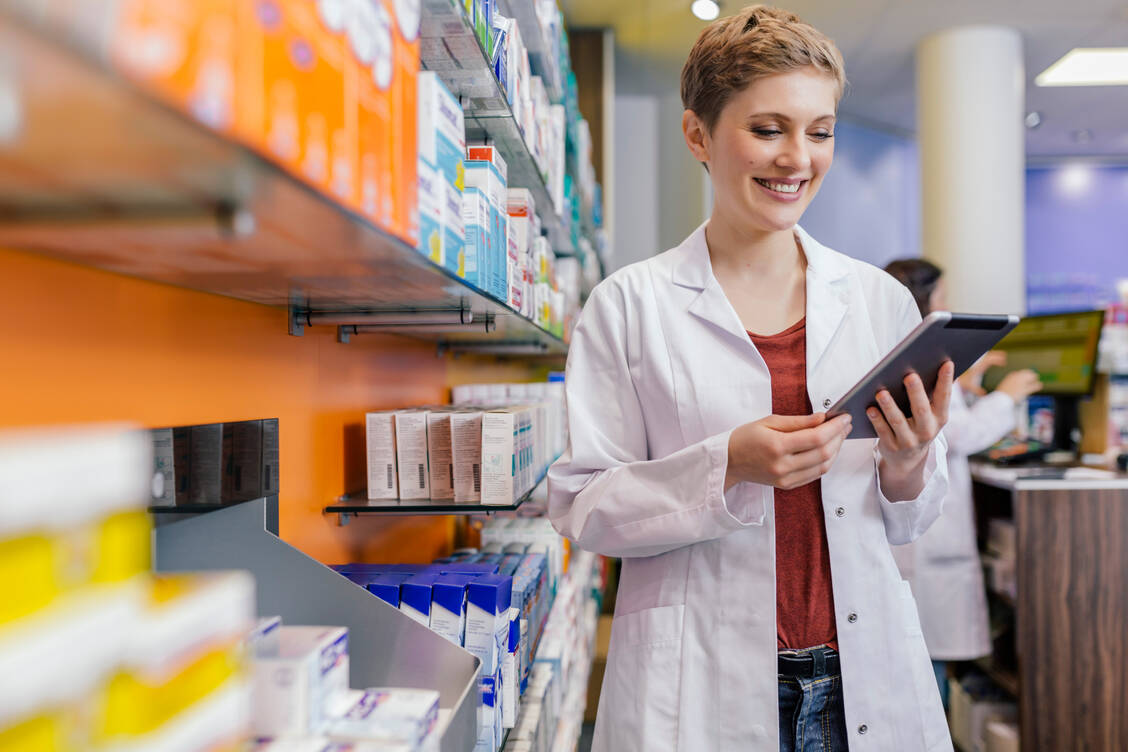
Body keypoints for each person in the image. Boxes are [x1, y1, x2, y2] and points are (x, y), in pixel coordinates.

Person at [547, 6, 955, 751]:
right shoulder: (629, 305)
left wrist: (910, 462)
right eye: (768, 129)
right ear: (698, 135)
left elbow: (912, 515)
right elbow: (584, 505)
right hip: (697, 686)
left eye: (820, 131)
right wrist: (725, 464)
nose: (797, 158)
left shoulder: (879, 301)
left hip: (858, 677)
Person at [884, 258, 1042, 708]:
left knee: (922, 660)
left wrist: (963, 385)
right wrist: (1006, 396)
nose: (948, 305)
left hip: (917, 540)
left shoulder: (900, 352)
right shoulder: (919, 359)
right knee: (922, 669)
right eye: (942, 297)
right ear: (922, 300)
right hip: (921, 542)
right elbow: (958, 434)